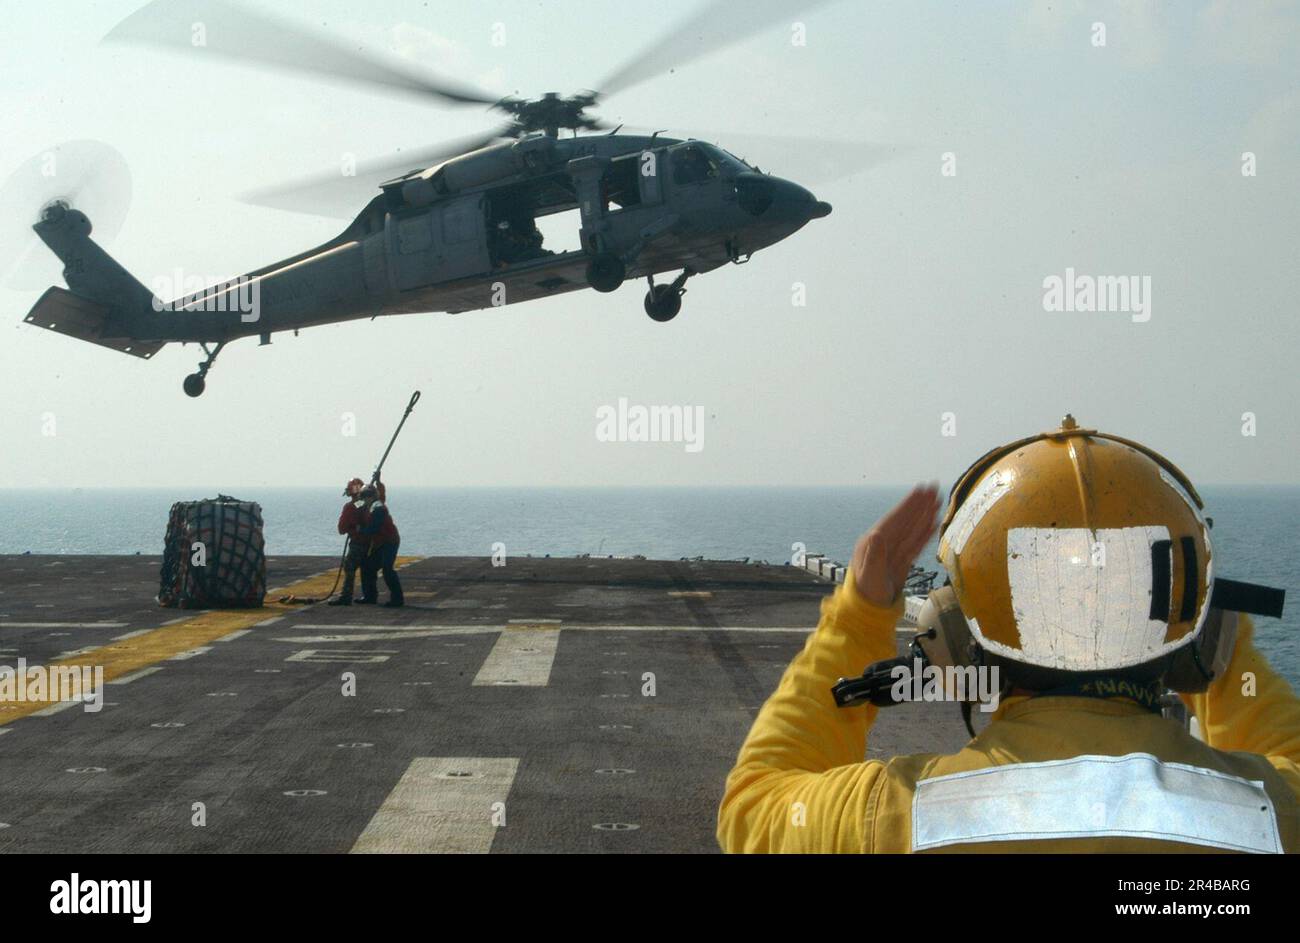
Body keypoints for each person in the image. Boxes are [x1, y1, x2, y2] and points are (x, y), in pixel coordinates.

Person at [717, 416, 1300, 853]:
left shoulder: (888, 815)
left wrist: (858, 617)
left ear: (952, 636)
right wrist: (1226, 640)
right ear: (1200, 635)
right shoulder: (1273, 813)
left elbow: (753, 806)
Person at [358, 480, 404, 608]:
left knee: (387, 569)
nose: (363, 500)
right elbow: (357, 507)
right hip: (380, 542)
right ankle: (370, 596)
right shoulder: (371, 505)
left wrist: (359, 529)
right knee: (367, 566)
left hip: (390, 542)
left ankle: (397, 599)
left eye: (365, 497)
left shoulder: (378, 508)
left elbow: (373, 528)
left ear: (370, 497)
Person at [327, 477, 369, 607]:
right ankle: (370, 595)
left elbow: (341, 529)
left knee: (349, 567)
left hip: (358, 543)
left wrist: (352, 527)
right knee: (367, 569)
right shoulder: (368, 504)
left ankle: (346, 596)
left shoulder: (350, 507)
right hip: (372, 543)